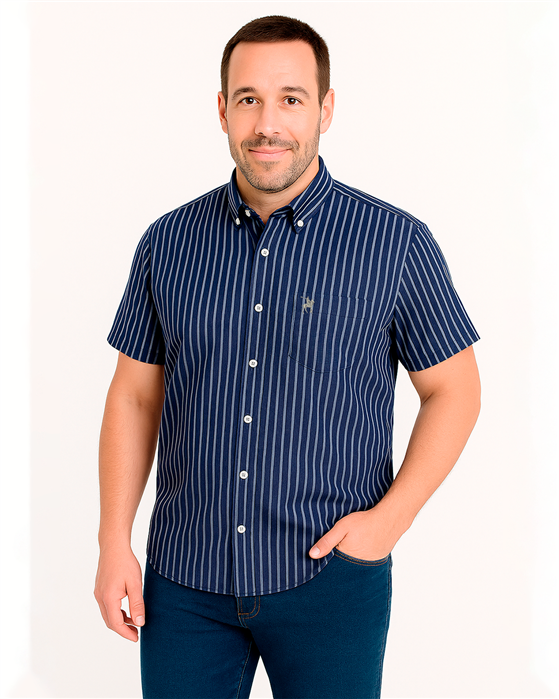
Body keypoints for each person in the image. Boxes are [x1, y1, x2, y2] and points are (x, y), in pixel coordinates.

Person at [94, 14, 481, 699]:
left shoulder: (395, 244)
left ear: (325, 109)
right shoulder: (167, 244)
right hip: (184, 583)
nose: (267, 123)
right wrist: (113, 541)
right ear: (222, 110)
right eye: (248, 99)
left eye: (290, 99)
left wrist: (386, 524)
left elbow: (455, 389)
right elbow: (134, 395)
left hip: (331, 579)